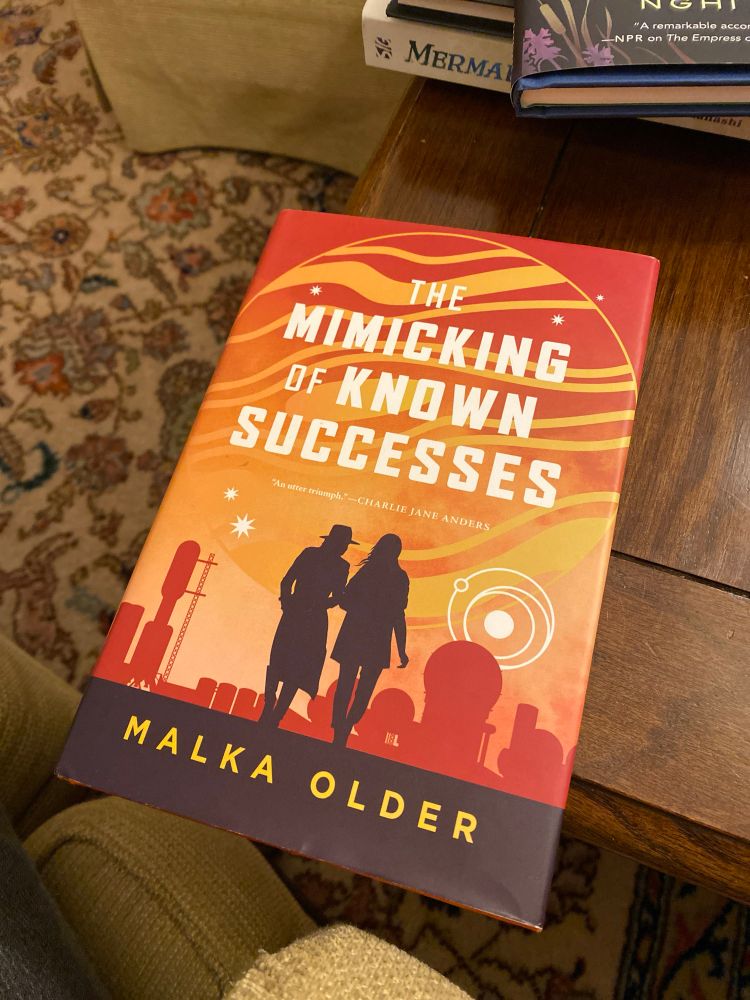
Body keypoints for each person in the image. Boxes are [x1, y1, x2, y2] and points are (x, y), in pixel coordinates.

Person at [260, 525, 355, 727]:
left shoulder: (312, 555)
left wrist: (288, 603)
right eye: (344, 544)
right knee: (292, 665)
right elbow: (337, 598)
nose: (345, 548)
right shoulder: (338, 565)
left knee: (283, 660)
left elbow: (287, 582)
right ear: (337, 543)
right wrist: (316, 604)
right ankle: (274, 712)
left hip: (298, 614)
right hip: (311, 618)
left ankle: (271, 708)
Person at [330, 533, 409, 747]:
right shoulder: (400, 578)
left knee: (346, 684)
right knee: (363, 689)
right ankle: (345, 727)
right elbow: (398, 616)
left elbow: (345, 600)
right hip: (377, 639)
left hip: (356, 633)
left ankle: (340, 729)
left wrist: (360, 608)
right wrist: (401, 649)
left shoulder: (368, 572)